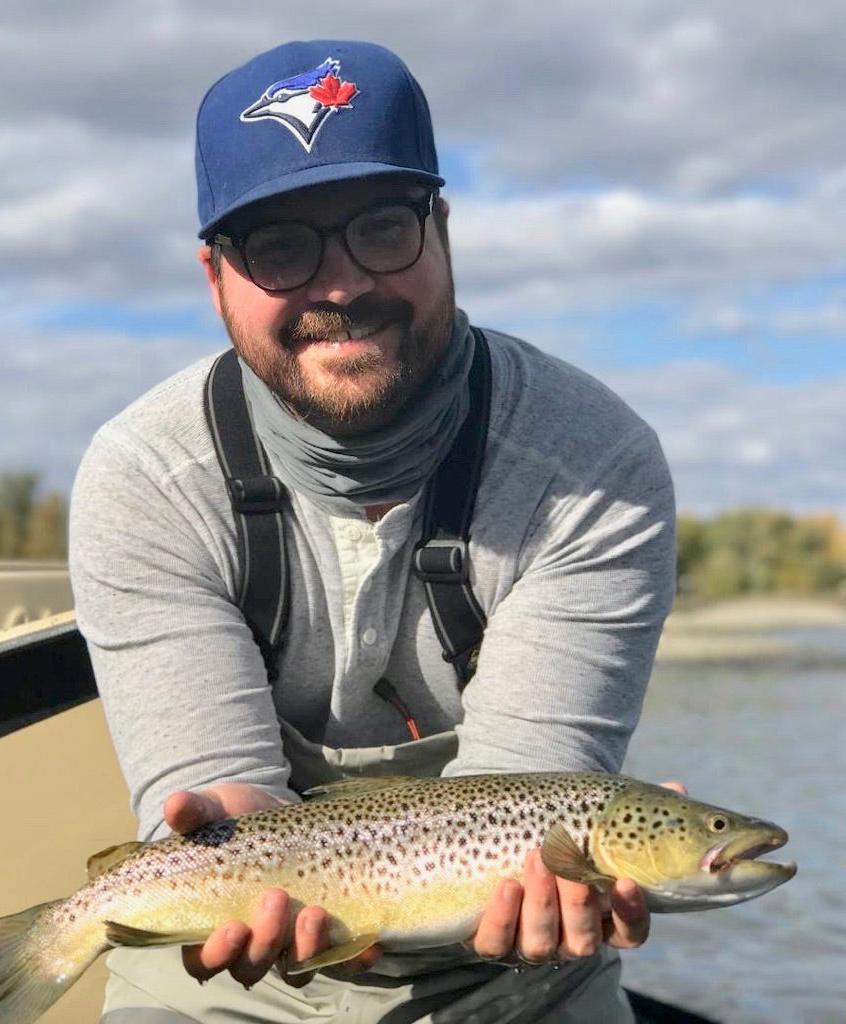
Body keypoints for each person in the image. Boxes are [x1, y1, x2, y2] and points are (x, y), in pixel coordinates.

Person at [70, 38, 676, 1024]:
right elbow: (216, 796)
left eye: (382, 226)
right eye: (279, 247)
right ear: (214, 277)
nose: (340, 285)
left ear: (442, 229)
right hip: (233, 969)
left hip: (514, 976)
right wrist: (240, 852)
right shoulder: (143, 476)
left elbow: (513, 815)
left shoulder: (593, 464)